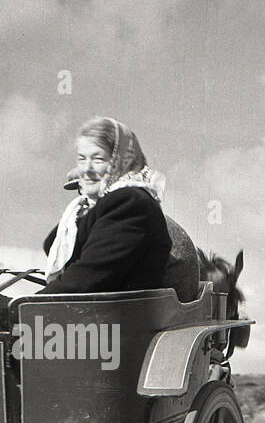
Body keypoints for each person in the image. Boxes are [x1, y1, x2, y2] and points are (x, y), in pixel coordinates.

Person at [41, 117, 171, 294]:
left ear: (121, 161)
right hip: (86, 314)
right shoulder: (84, 208)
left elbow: (84, 280)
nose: (86, 169)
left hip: (113, 319)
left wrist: (12, 309)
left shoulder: (129, 202)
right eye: (81, 159)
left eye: (98, 159)